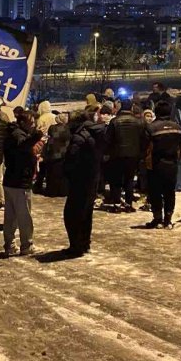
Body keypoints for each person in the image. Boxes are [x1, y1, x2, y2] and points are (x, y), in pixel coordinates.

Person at [62, 107, 108, 256]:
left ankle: (76, 246)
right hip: (93, 176)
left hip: (79, 178)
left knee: (72, 213)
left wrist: (66, 172)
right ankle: (84, 243)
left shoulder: (79, 136)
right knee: (86, 213)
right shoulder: (96, 132)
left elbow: (71, 158)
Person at [2, 108, 44, 256]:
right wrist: (37, 135)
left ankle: (9, 245)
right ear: (23, 123)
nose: (33, 125)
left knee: (11, 216)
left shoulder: (13, 133)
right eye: (31, 123)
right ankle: (26, 244)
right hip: (20, 181)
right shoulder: (17, 136)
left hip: (12, 180)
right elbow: (23, 146)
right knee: (24, 215)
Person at [145, 101, 181, 229]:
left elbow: (146, 147)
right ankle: (168, 219)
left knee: (155, 191)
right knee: (169, 192)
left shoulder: (151, 127)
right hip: (172, 164)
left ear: (156, 112)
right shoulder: (177, 127)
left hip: (156, 164)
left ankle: (157, 218)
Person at [106, 99, 149, 212]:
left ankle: (116, 203)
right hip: (134, 155)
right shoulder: (139, 122)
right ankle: (129, 203)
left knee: (116, 180)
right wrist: (141, 153)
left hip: (117, 155)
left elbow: (108, 139)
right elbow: (145, 139)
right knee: (129, 180)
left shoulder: (115, 121)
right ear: (131, 108)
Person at [39, 113, 71, 197]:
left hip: (53, 152)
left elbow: (51, 138)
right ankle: (63, 191)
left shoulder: (52, 128)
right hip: (63, 153)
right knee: (62, 174)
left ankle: (51, 191)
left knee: (52, 174)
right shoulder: (67, 128)